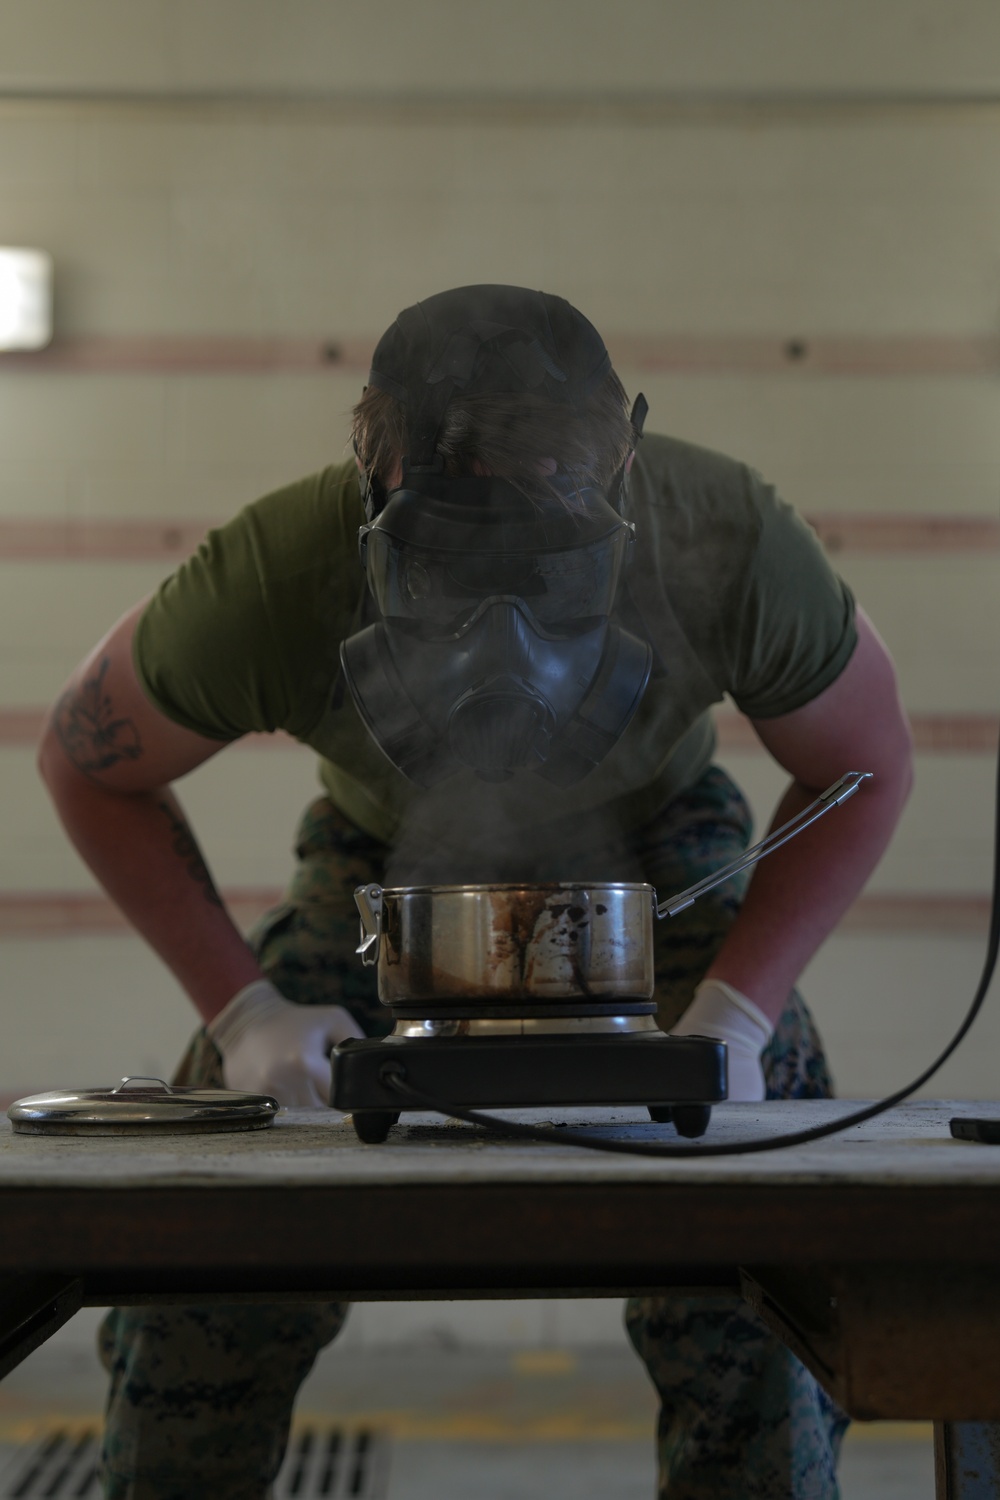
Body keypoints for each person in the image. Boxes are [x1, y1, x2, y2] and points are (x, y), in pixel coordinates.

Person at [38, 284, 913, 1500]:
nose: (503, 619)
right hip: (379, 863)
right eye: (450, 556)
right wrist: (249, 1017)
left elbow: (865, 767)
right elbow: (86, 768)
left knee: (761, 1294)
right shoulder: (281, 568)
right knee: (203, 1278)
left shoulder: (721, 532)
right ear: (375, 480)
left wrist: (740, 1015)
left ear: (618, 470)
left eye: (546, 558)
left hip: (657, 855)